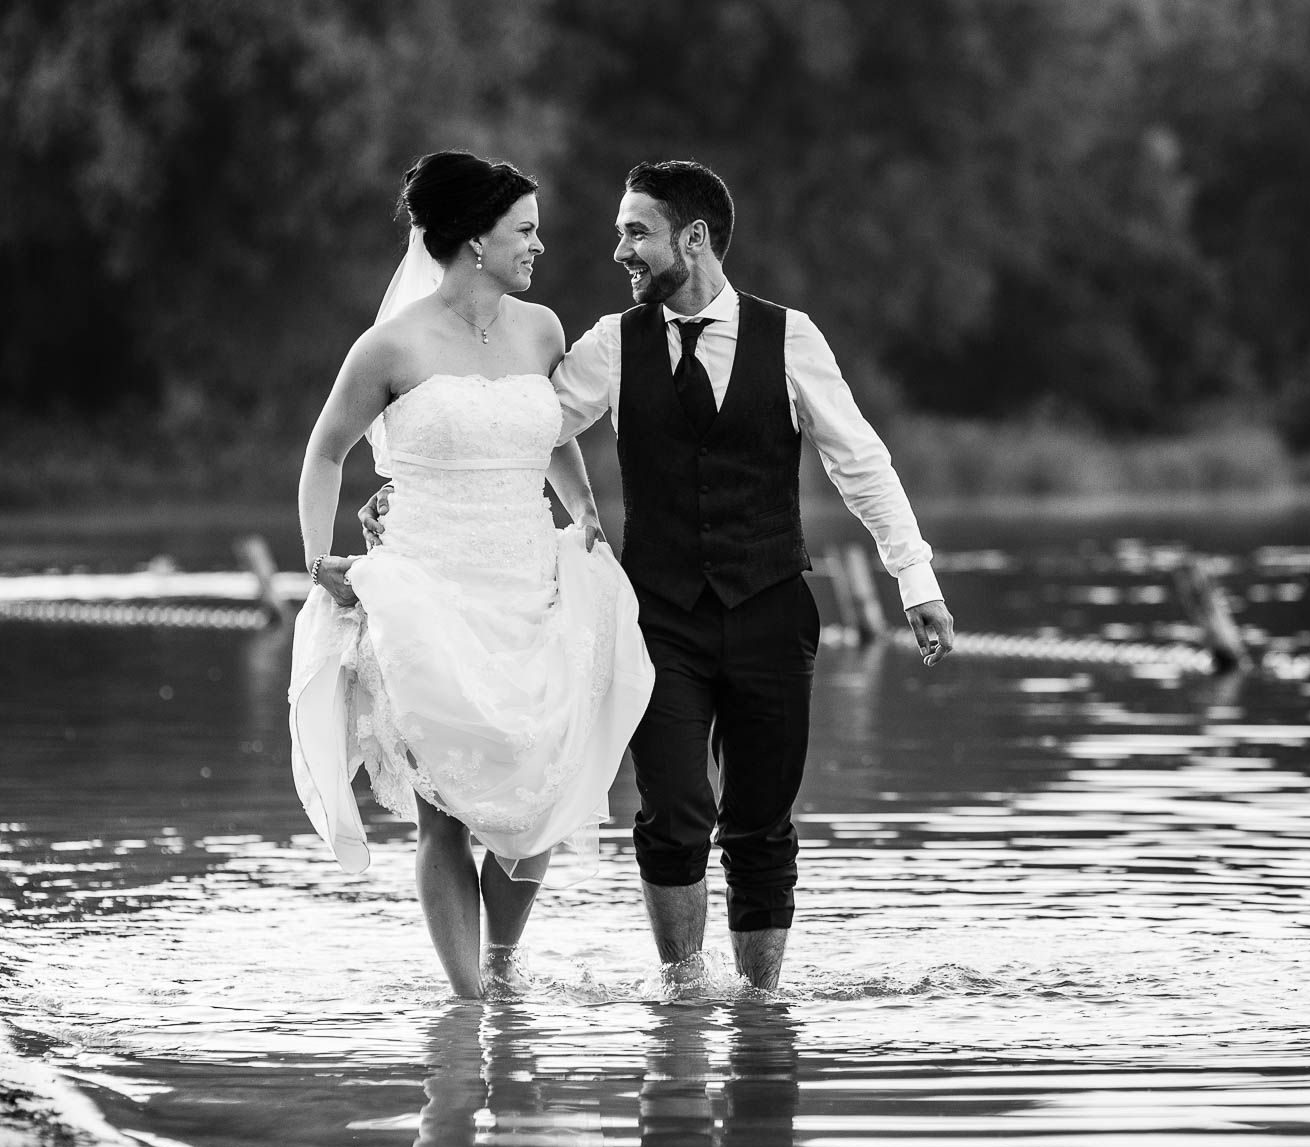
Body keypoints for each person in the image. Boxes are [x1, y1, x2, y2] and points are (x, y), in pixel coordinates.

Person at [550, 160, 955, 991]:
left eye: (636, 231)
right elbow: (522, 431)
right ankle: (685, 997)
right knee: (672, 813)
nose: (619, 249)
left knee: (762, 824)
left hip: (771, 610)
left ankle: (761, 1013)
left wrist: (915, 578)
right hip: (657, 616)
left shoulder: (789, 337)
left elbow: (860, 463)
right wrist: (414, 488)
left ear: (692, 239)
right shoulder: (610, 344)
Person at [289, 150, 654, 999]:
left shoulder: (542, 329)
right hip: (428, 589)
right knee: (445, 810)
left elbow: (553, 432)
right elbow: (324, 453)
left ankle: (500, 964)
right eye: (524, 230)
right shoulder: (391, 345)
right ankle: (467, 1006)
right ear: (473, 240)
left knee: (542, 801)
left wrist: (587, 513)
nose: (539, 245)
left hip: (530, 584)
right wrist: (320, 563)